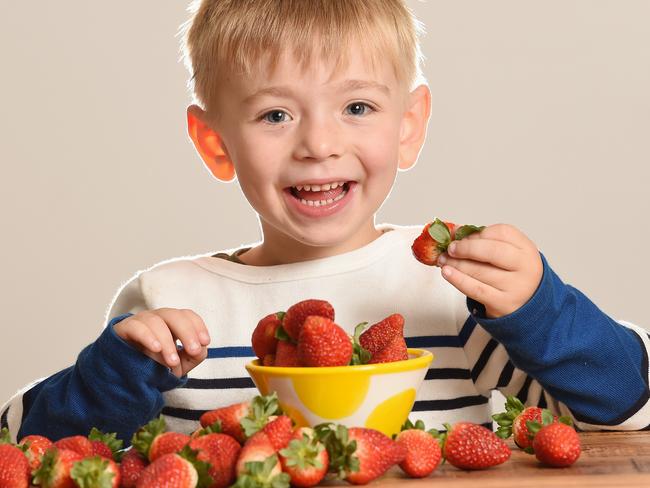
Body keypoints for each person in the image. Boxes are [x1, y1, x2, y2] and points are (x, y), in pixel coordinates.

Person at [2, 0, 649, 444]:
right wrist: (111, 376)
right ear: (215, 142)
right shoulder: (169, 302)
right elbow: (20, 443)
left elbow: (627, 406)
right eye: (275, 115)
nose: (317, 143)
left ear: (409, 127)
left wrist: (539, 307)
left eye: (357, 106)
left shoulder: (447, 290)